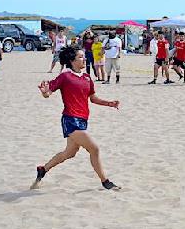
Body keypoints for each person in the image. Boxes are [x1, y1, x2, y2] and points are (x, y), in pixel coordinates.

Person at [32, 46, 120, 190]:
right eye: (80, 57)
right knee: (94, 148)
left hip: (83, 120)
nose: (84, 59)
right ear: (72, 60)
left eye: (84, 56)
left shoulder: (86, 77)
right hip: (70, 119)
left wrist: (109, 103)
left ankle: (43, 169)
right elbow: (48, 93)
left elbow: (92, 98)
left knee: (69, 153)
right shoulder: (65, 76)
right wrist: (44, 92)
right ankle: (105, 181)